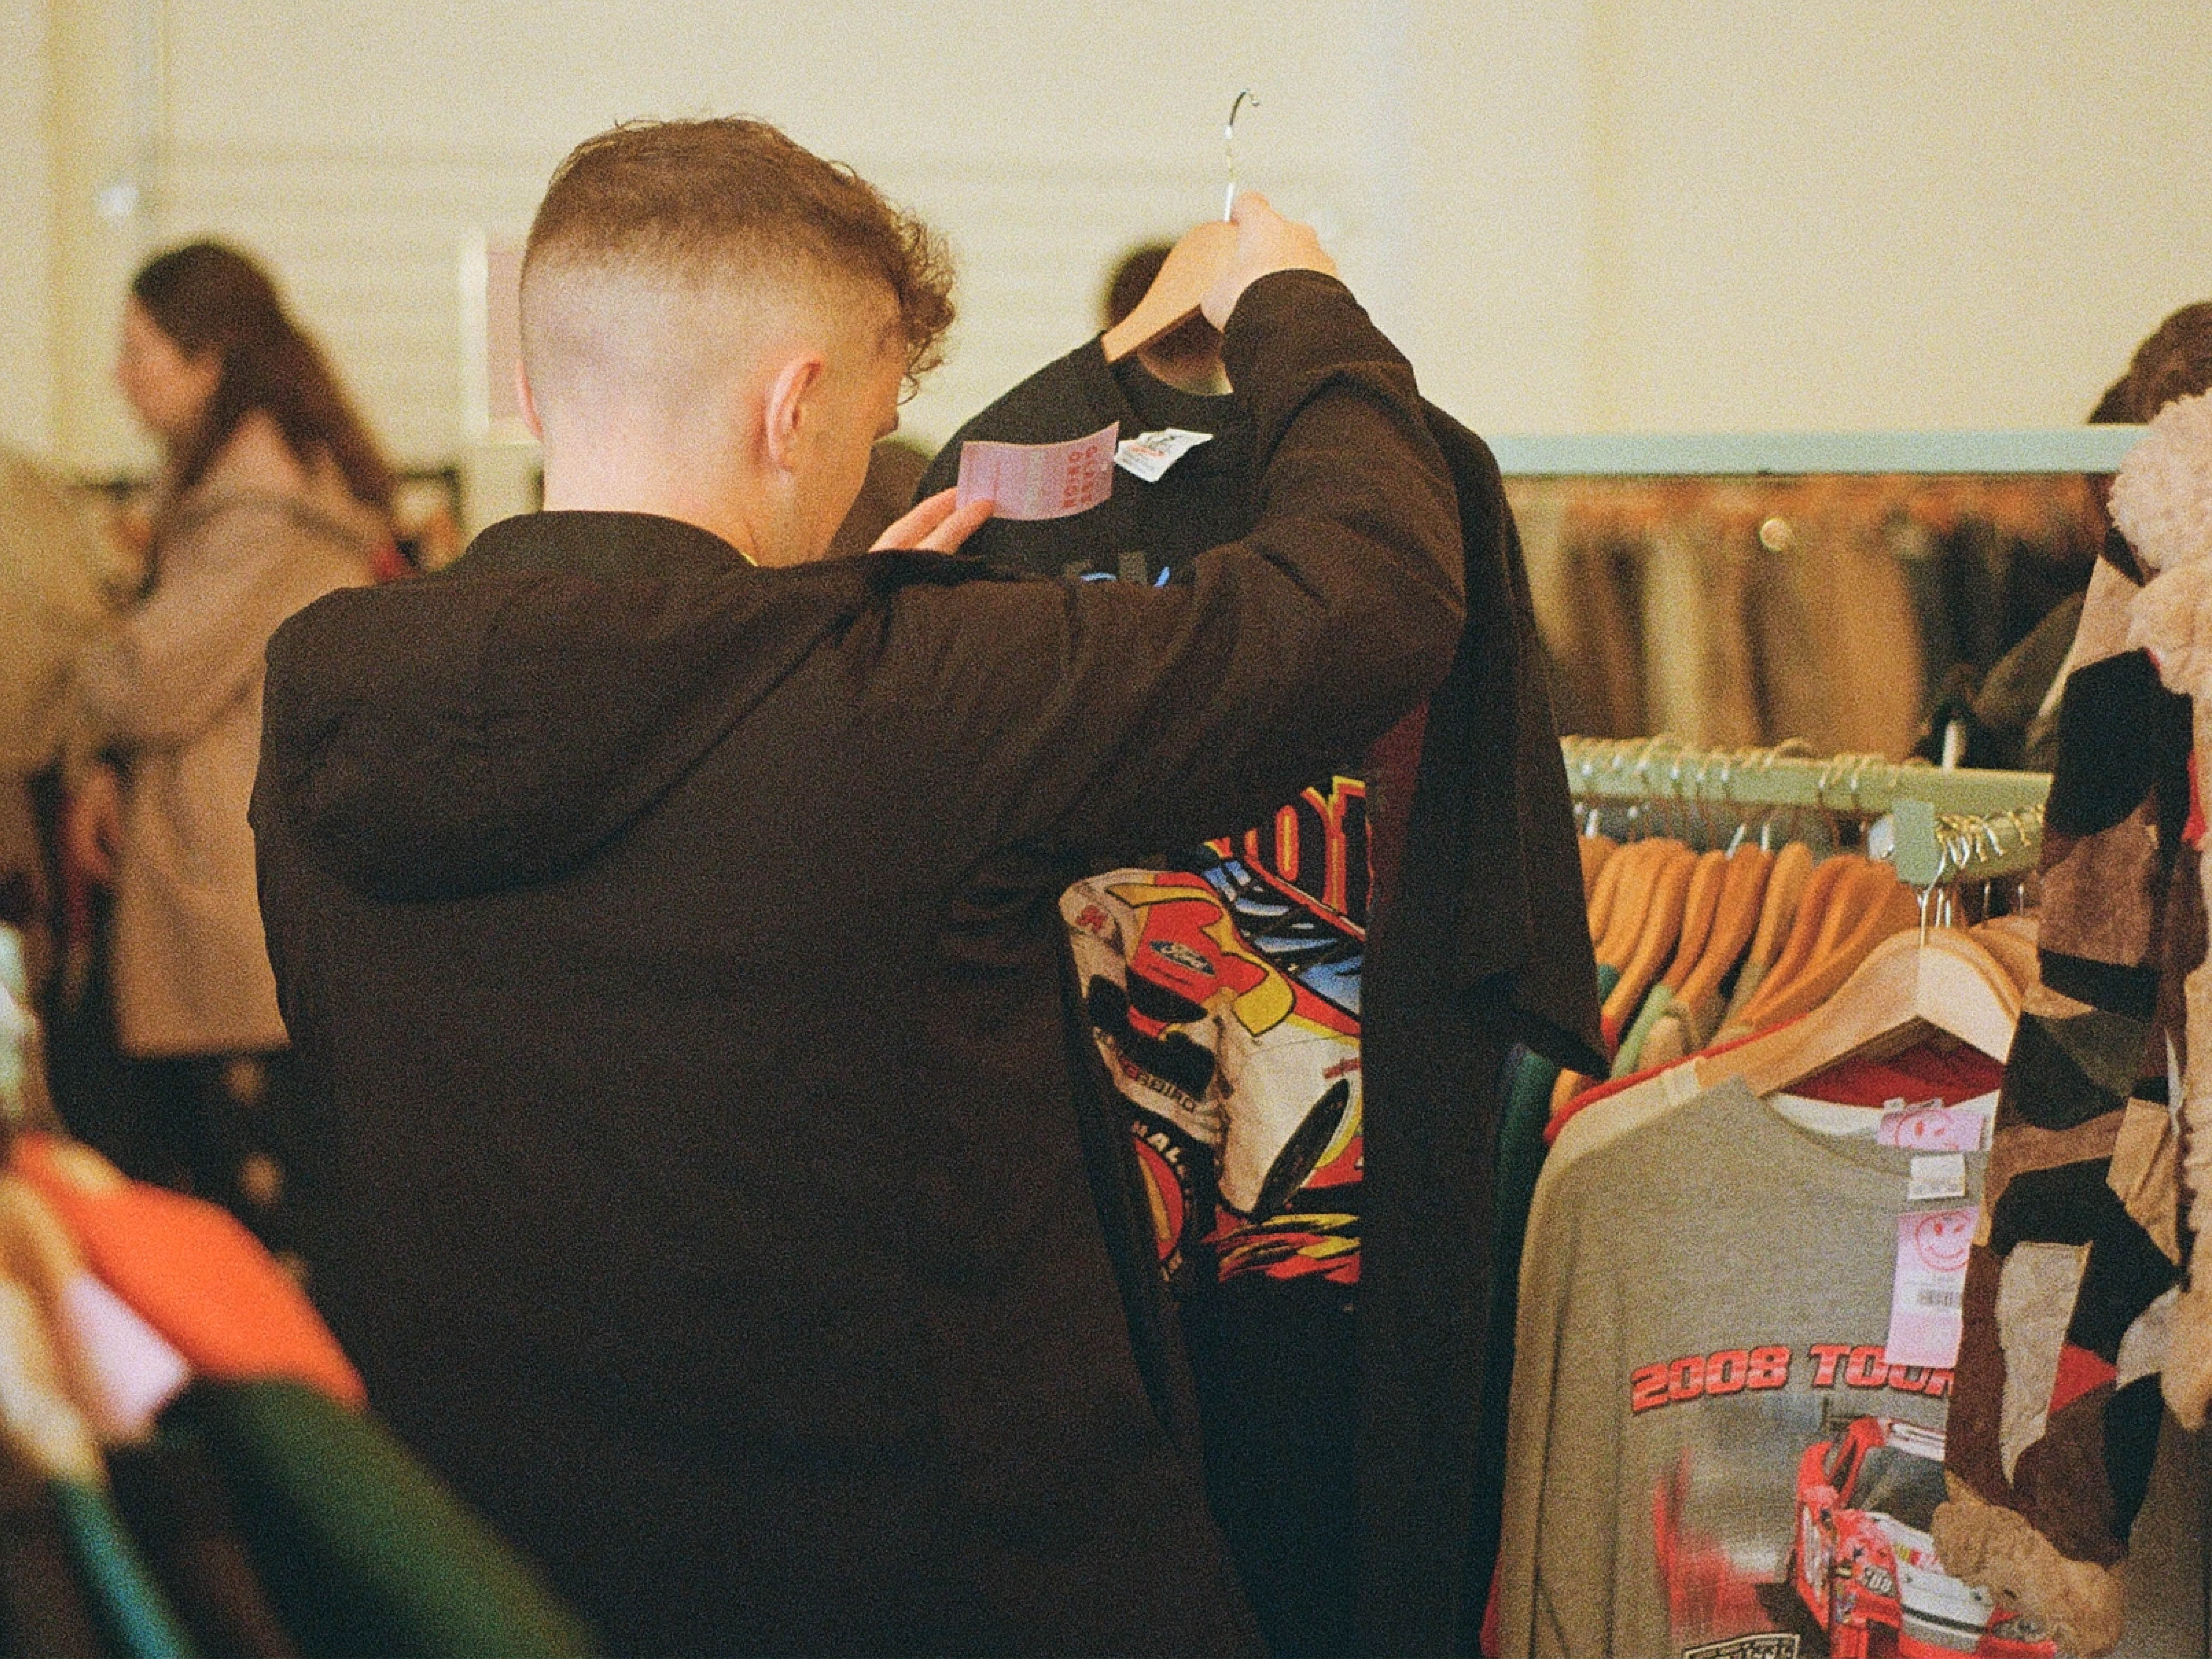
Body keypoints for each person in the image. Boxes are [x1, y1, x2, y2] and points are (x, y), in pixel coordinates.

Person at [249, 116, 1466, 1657]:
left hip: (510, 1589)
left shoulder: (327, 698)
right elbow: (1366, 602)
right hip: (949, 1594)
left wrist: (840, 629)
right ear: (796, 405)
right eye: (868, 421)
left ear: (535, 384)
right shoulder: (905, 703)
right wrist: (1299, 306)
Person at [62, 242, 389, 1263]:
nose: (122, 377)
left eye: (140, 351)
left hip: (232, 887)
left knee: (261, 1201)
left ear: (209, 362)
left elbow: (152, 678)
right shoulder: (239, 493)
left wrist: (72, 670)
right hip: (224, 867)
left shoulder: (264, 507)